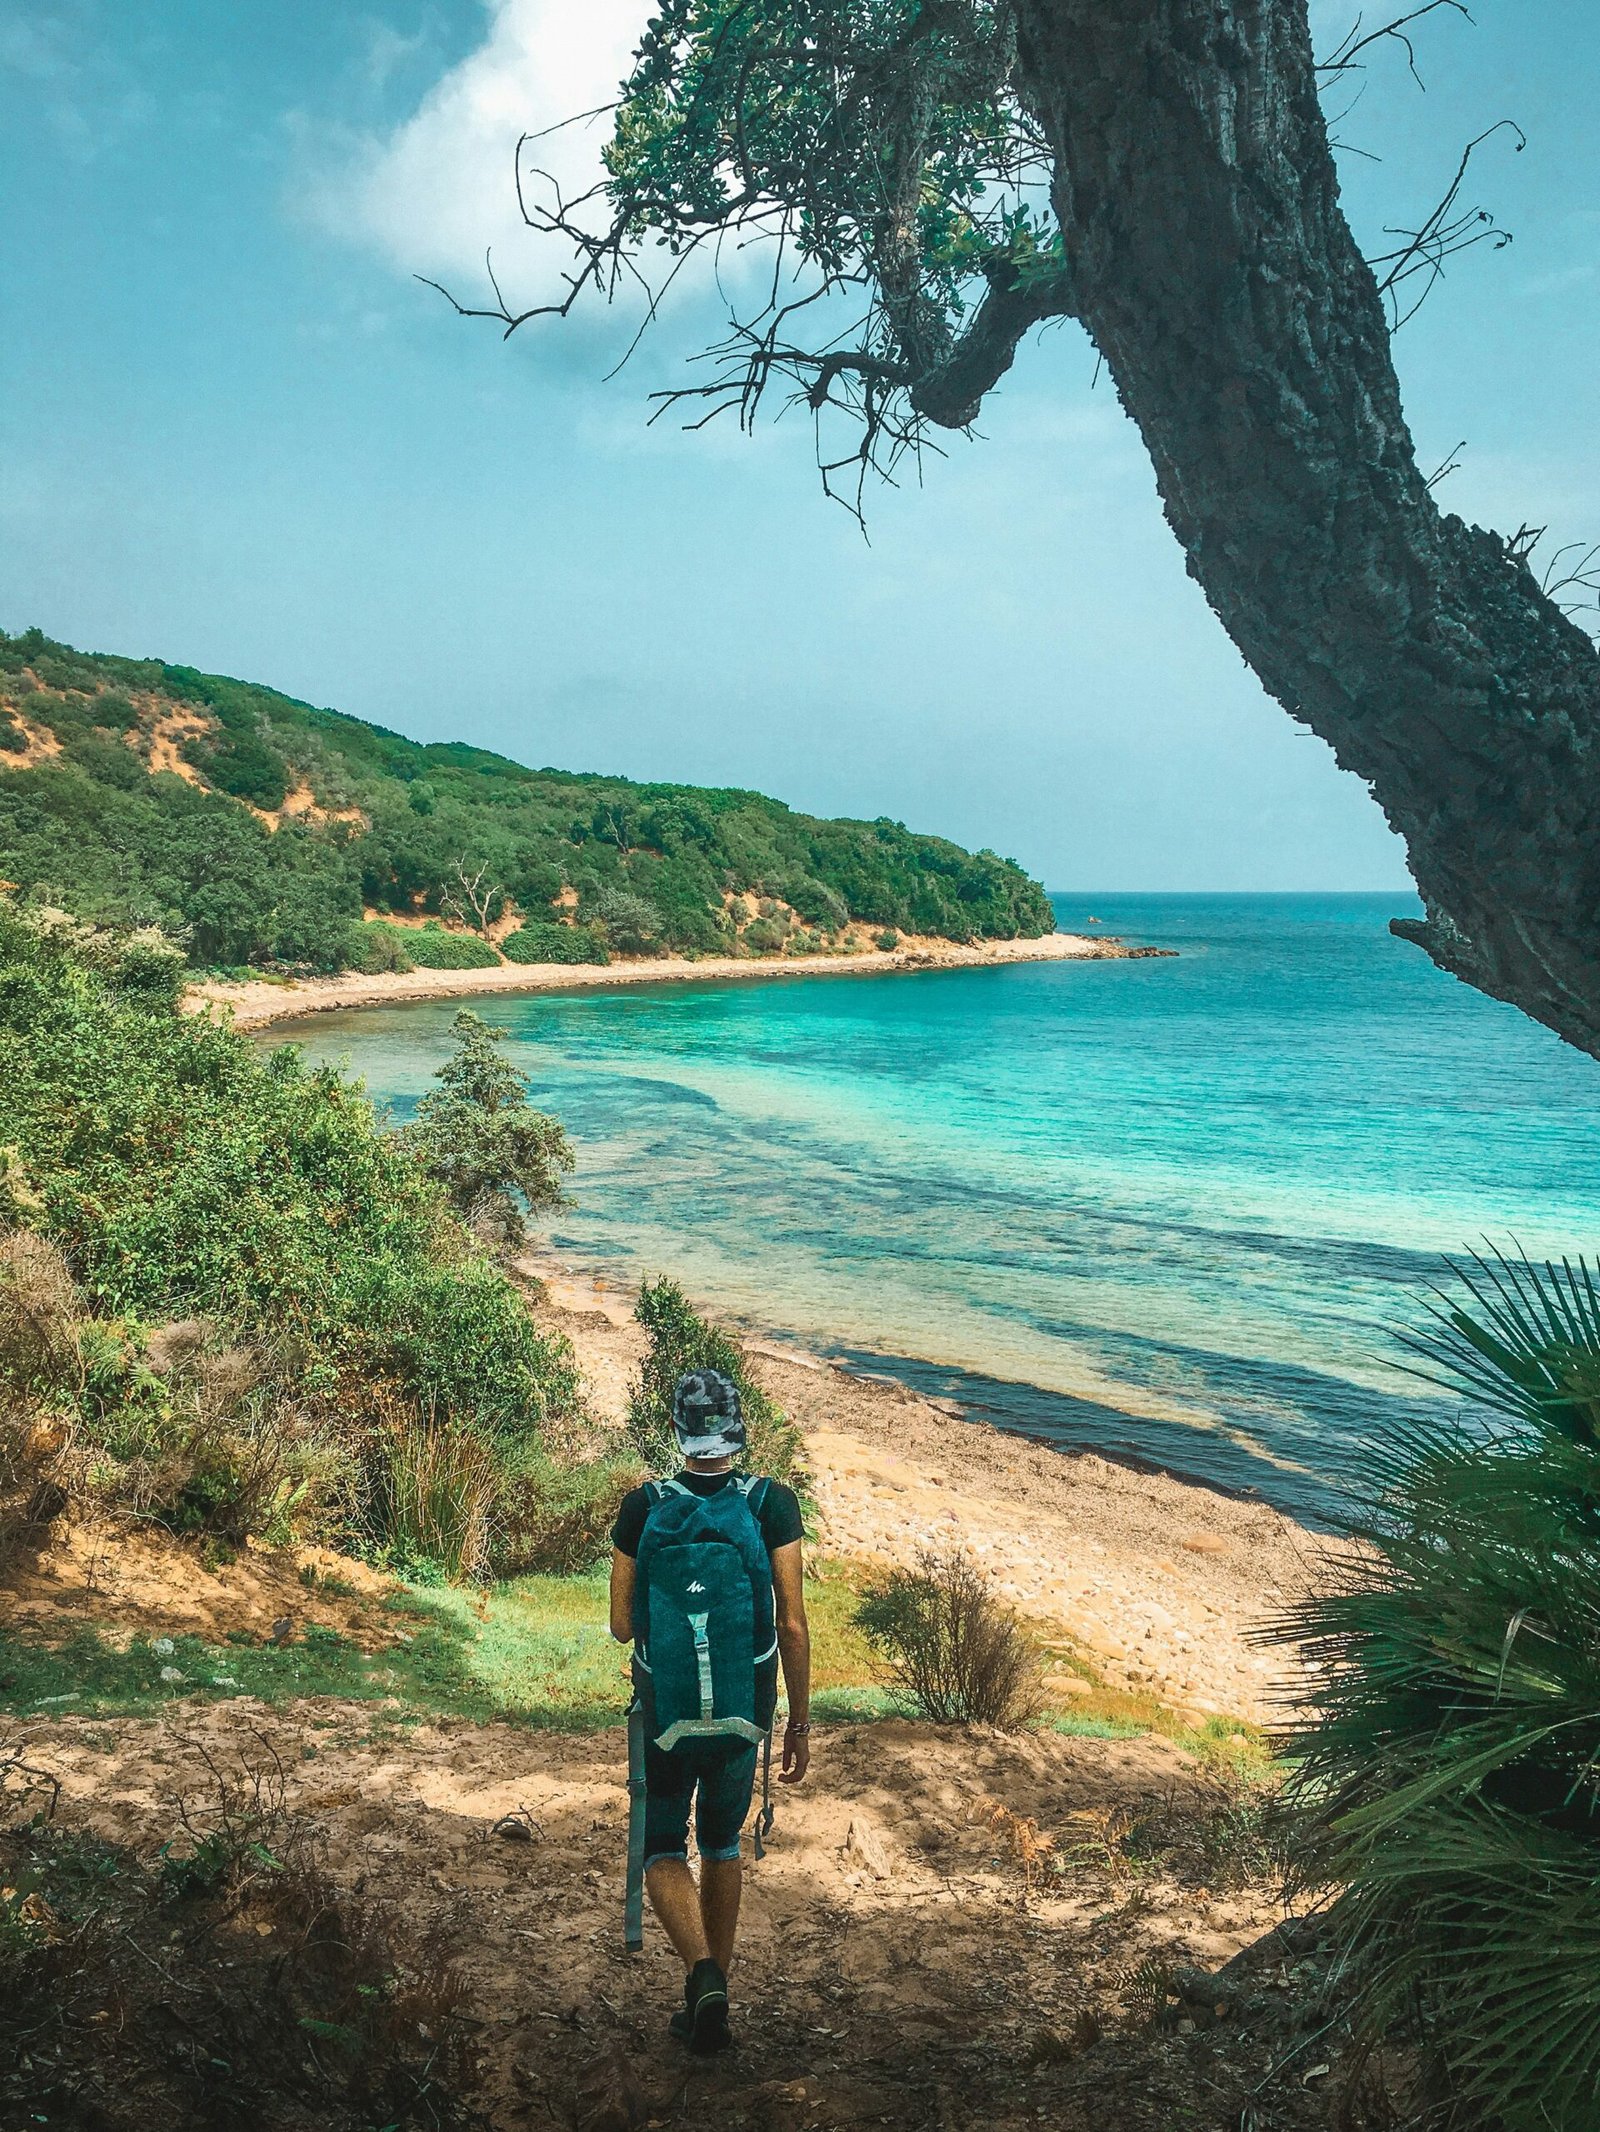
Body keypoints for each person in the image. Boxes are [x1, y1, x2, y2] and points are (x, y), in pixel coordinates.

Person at [609, 1367, 810, 2053]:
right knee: (723, 1844)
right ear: (738, 1430)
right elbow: (792, 1627)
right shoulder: (770, 1505)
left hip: (667, 1716)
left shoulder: (643, 1506)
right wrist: (800, 1723)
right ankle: (713, 1987)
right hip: (741, 1713)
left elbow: (619, 1625)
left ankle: (700, 1977)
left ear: (679, 1431)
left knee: (664, 1846)